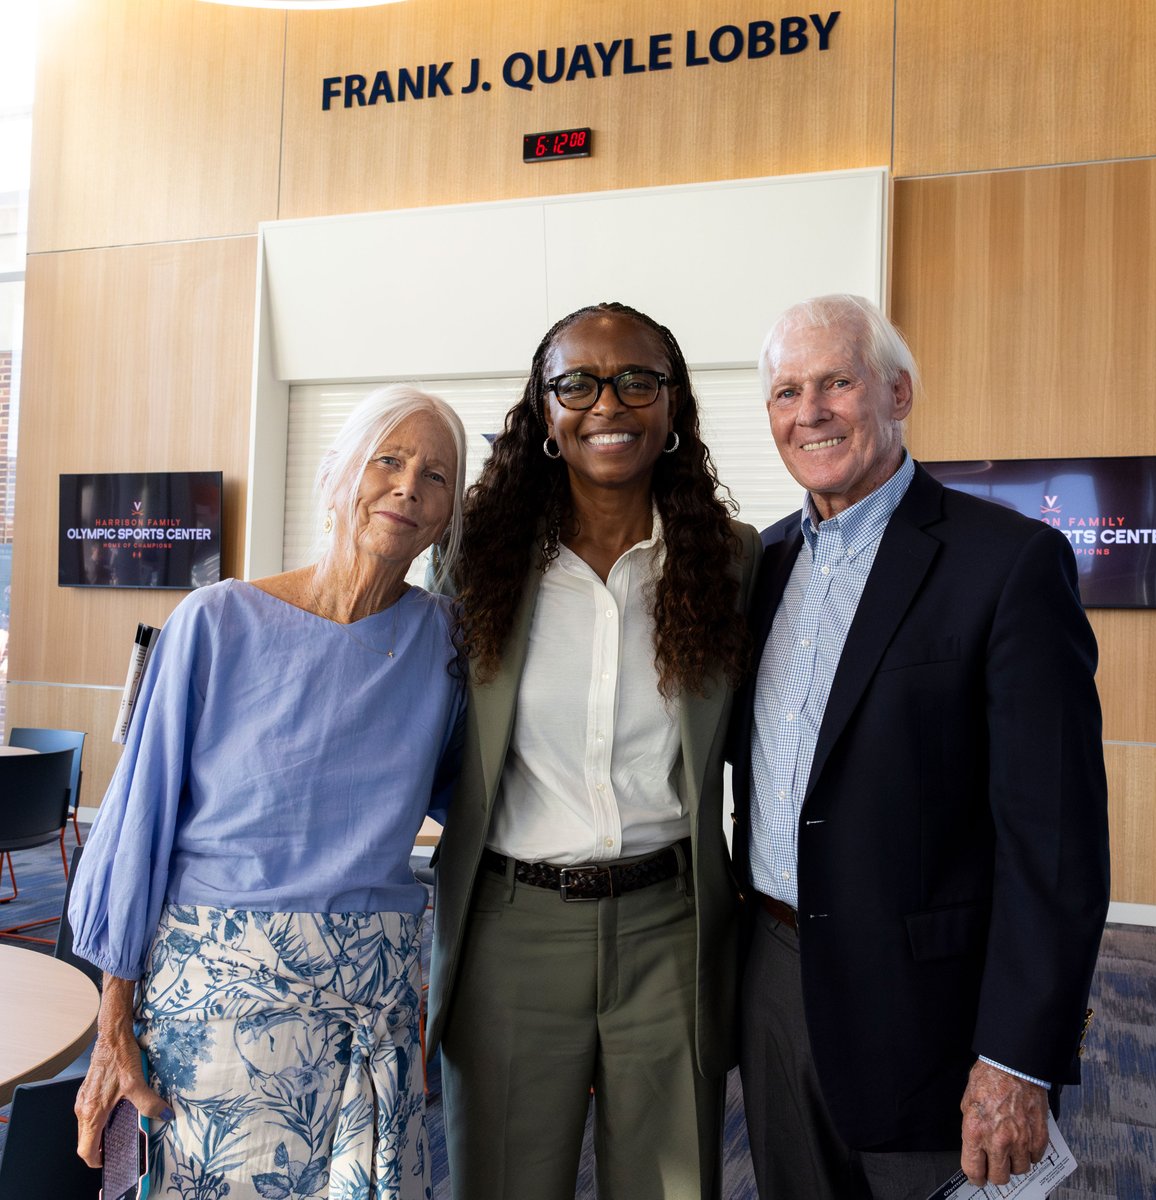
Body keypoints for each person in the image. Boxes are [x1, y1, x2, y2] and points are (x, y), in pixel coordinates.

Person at [729, 295, 1110, 1200]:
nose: (810, 412)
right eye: (787, 392)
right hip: (776, 980)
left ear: (896, 392)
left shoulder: (1007, 563)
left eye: (837, 383)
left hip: (930, 1011)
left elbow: (1053, 844)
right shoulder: (762, 566)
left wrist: (1017, 1058)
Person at [70, 384, 468, 1200]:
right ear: (337, 478)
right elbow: (137, 826)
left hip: (375, 1005)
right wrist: (112, 1026)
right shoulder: (215, 622)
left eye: (435, 476)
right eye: (386, 461)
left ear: (448, 513)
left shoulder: (450, 645)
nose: (407, 487)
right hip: (220, 1006)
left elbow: (483, 805)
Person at [426, 301, 760, 1200]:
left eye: (636, 380)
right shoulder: (474, 556)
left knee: (672, 1187)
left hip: (671, 927)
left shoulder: (731, 560)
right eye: (577, 382)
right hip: (512, 926)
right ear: (544, 410)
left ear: (674, 406)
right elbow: (426, 733)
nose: (606, 403)